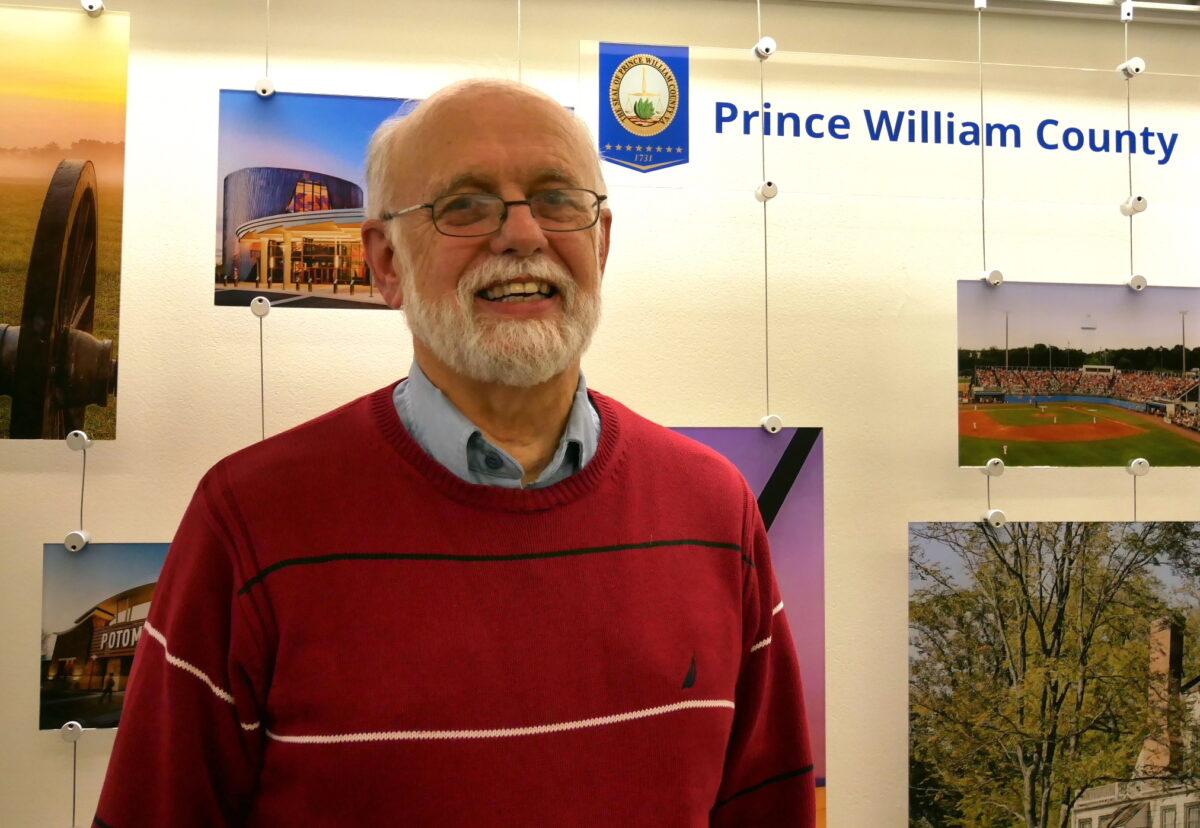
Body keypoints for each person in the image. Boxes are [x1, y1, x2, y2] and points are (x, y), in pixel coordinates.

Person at [96, 79, 814, 827]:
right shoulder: (250, 523)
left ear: (601, 242)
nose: (523, 235)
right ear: (386, 263)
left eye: (557, 200)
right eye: (465, 206)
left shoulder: (714, 510)